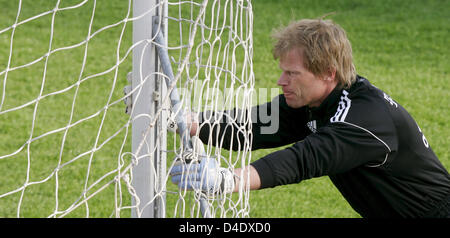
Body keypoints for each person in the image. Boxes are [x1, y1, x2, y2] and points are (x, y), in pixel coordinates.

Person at [169, 19, 450, 218]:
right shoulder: (313, 100)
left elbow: (305, 159)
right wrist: (188, 122)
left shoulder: (363, 119)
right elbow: (255, 125)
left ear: (328, 72)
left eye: (292, 74)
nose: (281, 81)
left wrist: (227, 180)